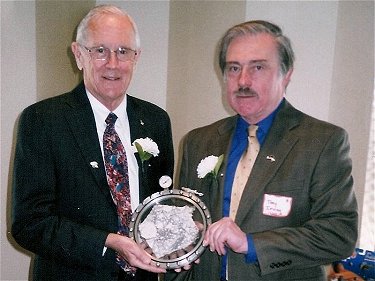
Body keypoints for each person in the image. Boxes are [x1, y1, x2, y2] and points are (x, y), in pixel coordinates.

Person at [165, 20, 358, 281]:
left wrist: (251, 244)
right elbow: (182, 228)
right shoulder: (198, 141)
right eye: (234, 68)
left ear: (286, 73)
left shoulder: (322, 142)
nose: (243, 80)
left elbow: (338, 235)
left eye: (258, 67)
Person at [11, 5, 174, 281]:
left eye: (123, 51)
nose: (113, 63)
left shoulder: (156, 120)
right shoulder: (42, 121)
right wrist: (106, 242)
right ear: (78, 55)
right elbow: (29, 224)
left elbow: (162, 205)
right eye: (100, 50)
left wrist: (176, 240)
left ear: (136, 57)